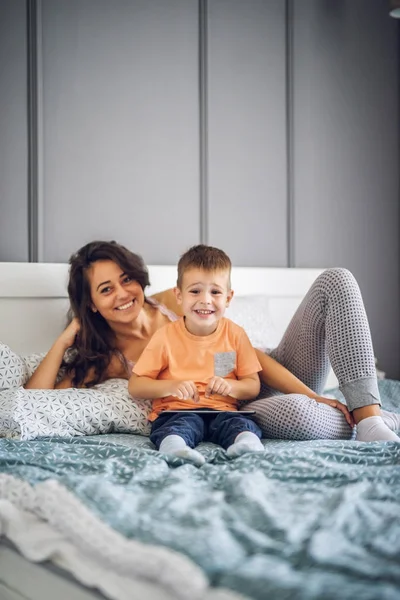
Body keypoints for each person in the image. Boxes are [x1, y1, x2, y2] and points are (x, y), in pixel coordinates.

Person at [25, 240, 400, 444]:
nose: (123, 293)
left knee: (336, 280)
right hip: (236, 411)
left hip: (270, 371)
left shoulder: (176, 300)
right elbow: (35, 398)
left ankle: (367, 415)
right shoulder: (109, 360)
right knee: (299, 413)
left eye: (126, 279)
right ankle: (378, 420)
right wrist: (65, 337)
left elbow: (247, 355)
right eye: (106, 289)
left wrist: (314, 393)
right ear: (91, 303)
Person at [128, 244, 264, 465]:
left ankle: (247, 445)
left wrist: (231, 387)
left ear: (228, 298)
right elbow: (136, 385)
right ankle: (175, 449)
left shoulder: (236, 335)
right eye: (195, 291)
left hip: (223, 411)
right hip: (177, 410)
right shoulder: (165, 337)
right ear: (179, 295)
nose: (206, 300)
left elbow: (252, 386)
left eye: (215, 292)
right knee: (177, 428)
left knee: (241, 425)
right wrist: (171, 386)